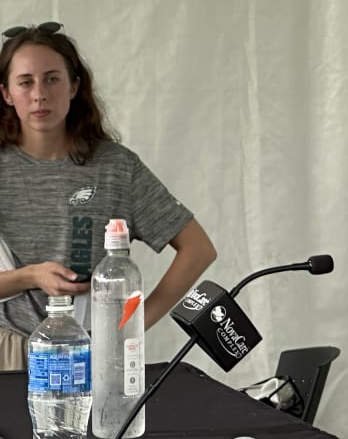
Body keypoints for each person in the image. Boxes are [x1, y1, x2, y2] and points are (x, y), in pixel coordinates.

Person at [0, 22, 217, 370]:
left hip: (92, 354)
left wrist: (134, 325)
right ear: (7, 93)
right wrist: (30, 276)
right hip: (9, 353)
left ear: (74, 86)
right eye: (25, 81)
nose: (39, 93)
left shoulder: (116, 167)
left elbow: (198, 249)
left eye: (52, 78)